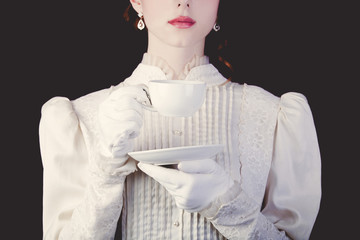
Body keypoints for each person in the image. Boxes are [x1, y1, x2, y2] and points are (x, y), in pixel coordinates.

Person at [39, 0, 321, 239]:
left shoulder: (272, 115)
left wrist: (226, 201)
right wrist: (106, 168)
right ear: (137, 0)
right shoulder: (80, 117)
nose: (184, 2)